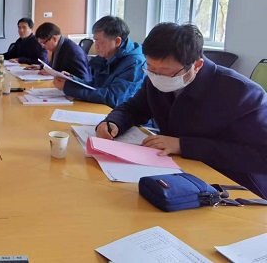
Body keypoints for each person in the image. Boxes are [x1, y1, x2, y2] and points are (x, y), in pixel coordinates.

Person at [96, 23, 267, 198]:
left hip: (235, 188)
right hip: (178, 175)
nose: (157, 77)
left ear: (197, 65)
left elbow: (261, 156)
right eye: (151, 68)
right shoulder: (155, 79)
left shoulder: (242, 93)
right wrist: (114, 122)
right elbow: (134, 108)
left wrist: (183, 145)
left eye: (166, 72)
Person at [53, 16, 145, 108]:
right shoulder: (108, 55)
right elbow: (96, 87)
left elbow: (114, 98)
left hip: (124, 114)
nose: (95, 46)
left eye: (99, 41)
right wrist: (73, 81)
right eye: (95, 41)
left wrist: (69, 88)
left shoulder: (135, 63)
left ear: (117, 41)